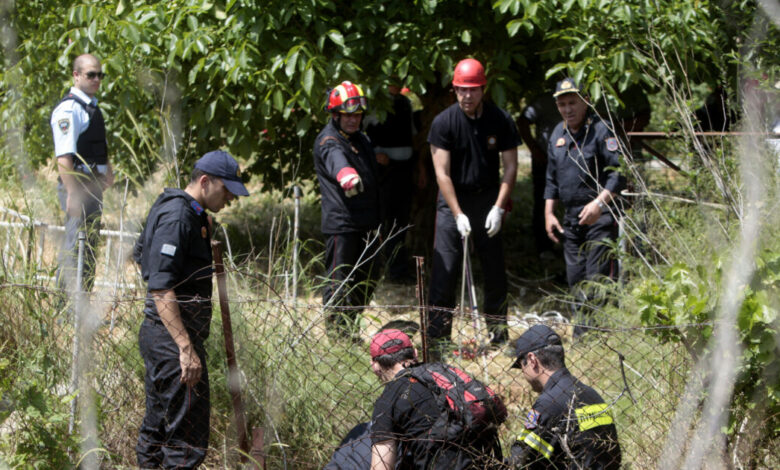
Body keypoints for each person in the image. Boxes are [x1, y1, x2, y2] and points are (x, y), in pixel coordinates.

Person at [133, 150, 249, 469]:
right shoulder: (178, 216)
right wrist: (184, 347)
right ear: (204, 181)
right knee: (187, 439)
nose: (229, 198)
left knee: (158, 430)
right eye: (226, 190)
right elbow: (159, 285)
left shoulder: (188, 212)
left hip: (164, 337)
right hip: (173, 341)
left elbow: (141, 256)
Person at [426, 58, 518, 353]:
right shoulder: (444, 122)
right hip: (453, 199)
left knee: (494, 269)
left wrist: (499, 207)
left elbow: (511, 166)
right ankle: (438, 339)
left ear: (483, 89)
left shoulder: (500, 119)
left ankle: (499, 336)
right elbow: (441, 173)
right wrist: (457, 214)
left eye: (474, 90)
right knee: (446, 268)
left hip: (488, 199)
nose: (468, 96)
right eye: (462, 90)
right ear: (454, 89)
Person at [544, 78, 625, 333]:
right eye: (562, 104)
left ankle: (599, 336)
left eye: (572, 103)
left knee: (597, 278)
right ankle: (582, 335)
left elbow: (618, 173)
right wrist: (548, 213)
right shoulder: (557, 133)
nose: (568, 109)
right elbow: (551, 179)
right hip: (571, 218)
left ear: (585, 101)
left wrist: (599, 204)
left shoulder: (602, 130)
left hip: (600, 216)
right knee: (575, 278)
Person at [369, 329, 502, 469]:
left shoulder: (387, 400)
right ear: (415, 353)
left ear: (375, 365)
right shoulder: (445, 372)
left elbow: (381, 466)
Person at [313, 81, 381, 340]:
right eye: (348, 115)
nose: (353, 120)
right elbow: (336, 159)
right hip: (343, 224)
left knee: (367, 278)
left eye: (357, 115)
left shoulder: (360, 138)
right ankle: (337, 335)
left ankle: (350, 325)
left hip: (368, 222)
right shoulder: (329, 140)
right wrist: (346, 175)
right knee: (339, 280)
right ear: (335, 115)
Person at [508, 324, 622, 469]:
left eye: (522, 366)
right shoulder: (592, 395)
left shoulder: (548, 403)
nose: (523, 374)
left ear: (532, 360)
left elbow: (521, 459)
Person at [50, 53, 113, 292]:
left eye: (100, 75)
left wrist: (108, 171)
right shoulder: (69, 110)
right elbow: (64, 157)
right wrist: (72, 193)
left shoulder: (91, 107)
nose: (96, 79)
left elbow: (98, 145)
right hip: (79, 184)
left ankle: (81, 306)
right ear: (76, 76)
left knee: (89, 247)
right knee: (75, 245)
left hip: (93, 184)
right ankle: (66, 309)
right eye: (91, 75)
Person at [365, 82, 417, 283]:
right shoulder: (372, 102)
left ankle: (398, 271)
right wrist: (373, 155)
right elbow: (358, 135)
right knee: (377, 220)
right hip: (381, 172)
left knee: (399, 222)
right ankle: (370, 270)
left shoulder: (405, 103)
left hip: (403, 169)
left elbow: (412, 136)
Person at [517, 92, 560, 259]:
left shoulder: (584, 98)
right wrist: (534, 149)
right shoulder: (544, 101)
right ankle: (544, 247)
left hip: (572, 161)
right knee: (542, 201)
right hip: (545, 159)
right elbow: (522, 121)